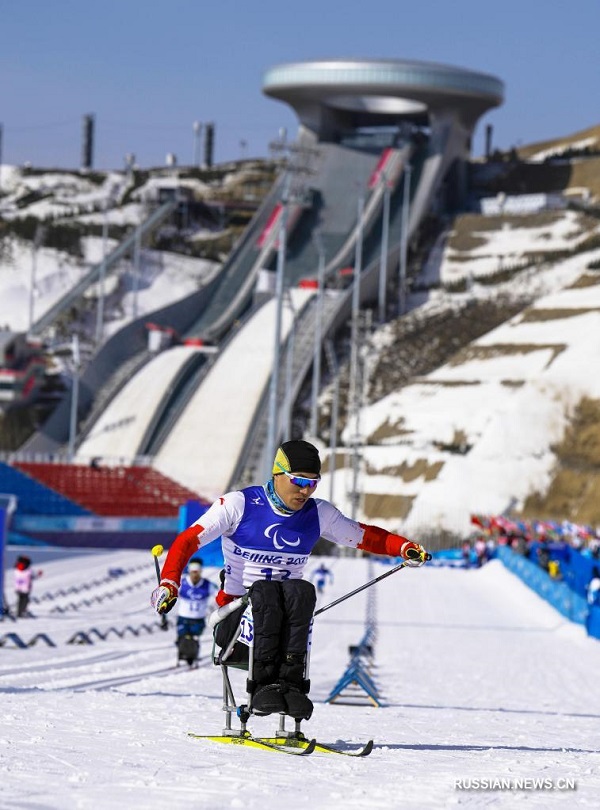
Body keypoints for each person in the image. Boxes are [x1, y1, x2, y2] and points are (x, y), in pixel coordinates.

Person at [151, 439, 430, 721]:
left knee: (301, 592)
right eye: (298, 481)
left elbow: (365, 535)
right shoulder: (239, 505)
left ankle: (291, 687)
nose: (304, 491)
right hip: (234, 622)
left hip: (285, 620)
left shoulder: (318, 513)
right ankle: (262, 688)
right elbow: (187, 541)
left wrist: (403, 547)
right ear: (278, 473)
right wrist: (169, 583)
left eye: (313, 483)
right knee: (267, 593)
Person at [175, 559, 218, 666]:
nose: (195, 575)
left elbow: (218, 595)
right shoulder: (182, 583)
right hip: (183, 617)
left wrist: (216, 607)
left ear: (200, 572)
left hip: (198, 618)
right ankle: (182, 656)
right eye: (193, 572)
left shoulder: (207, 584)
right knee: (182, 638)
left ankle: (192, 657)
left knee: (194, 639)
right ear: (189, 571)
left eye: (197, 572)